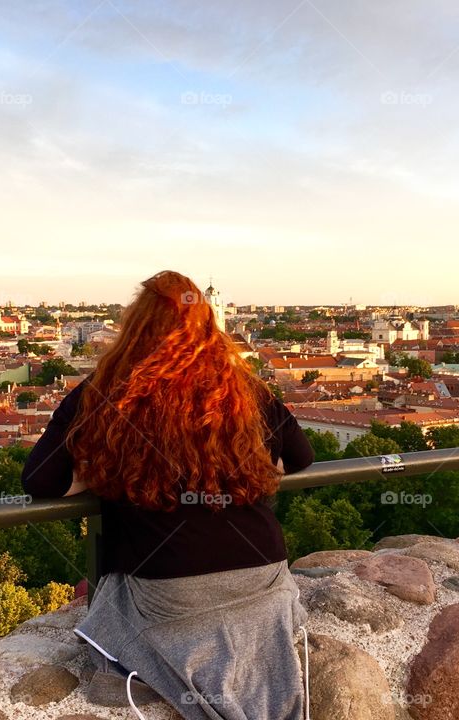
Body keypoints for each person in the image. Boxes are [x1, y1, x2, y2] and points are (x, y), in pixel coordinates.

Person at [21, 270, 315, 720]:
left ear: (135, 327)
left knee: (113, 599)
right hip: (264, 578)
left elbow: (41, 481)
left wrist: (105, 466)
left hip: (170, 592)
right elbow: (299, 456)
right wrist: (235, 460)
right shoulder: (241, 387)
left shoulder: (103, 391)